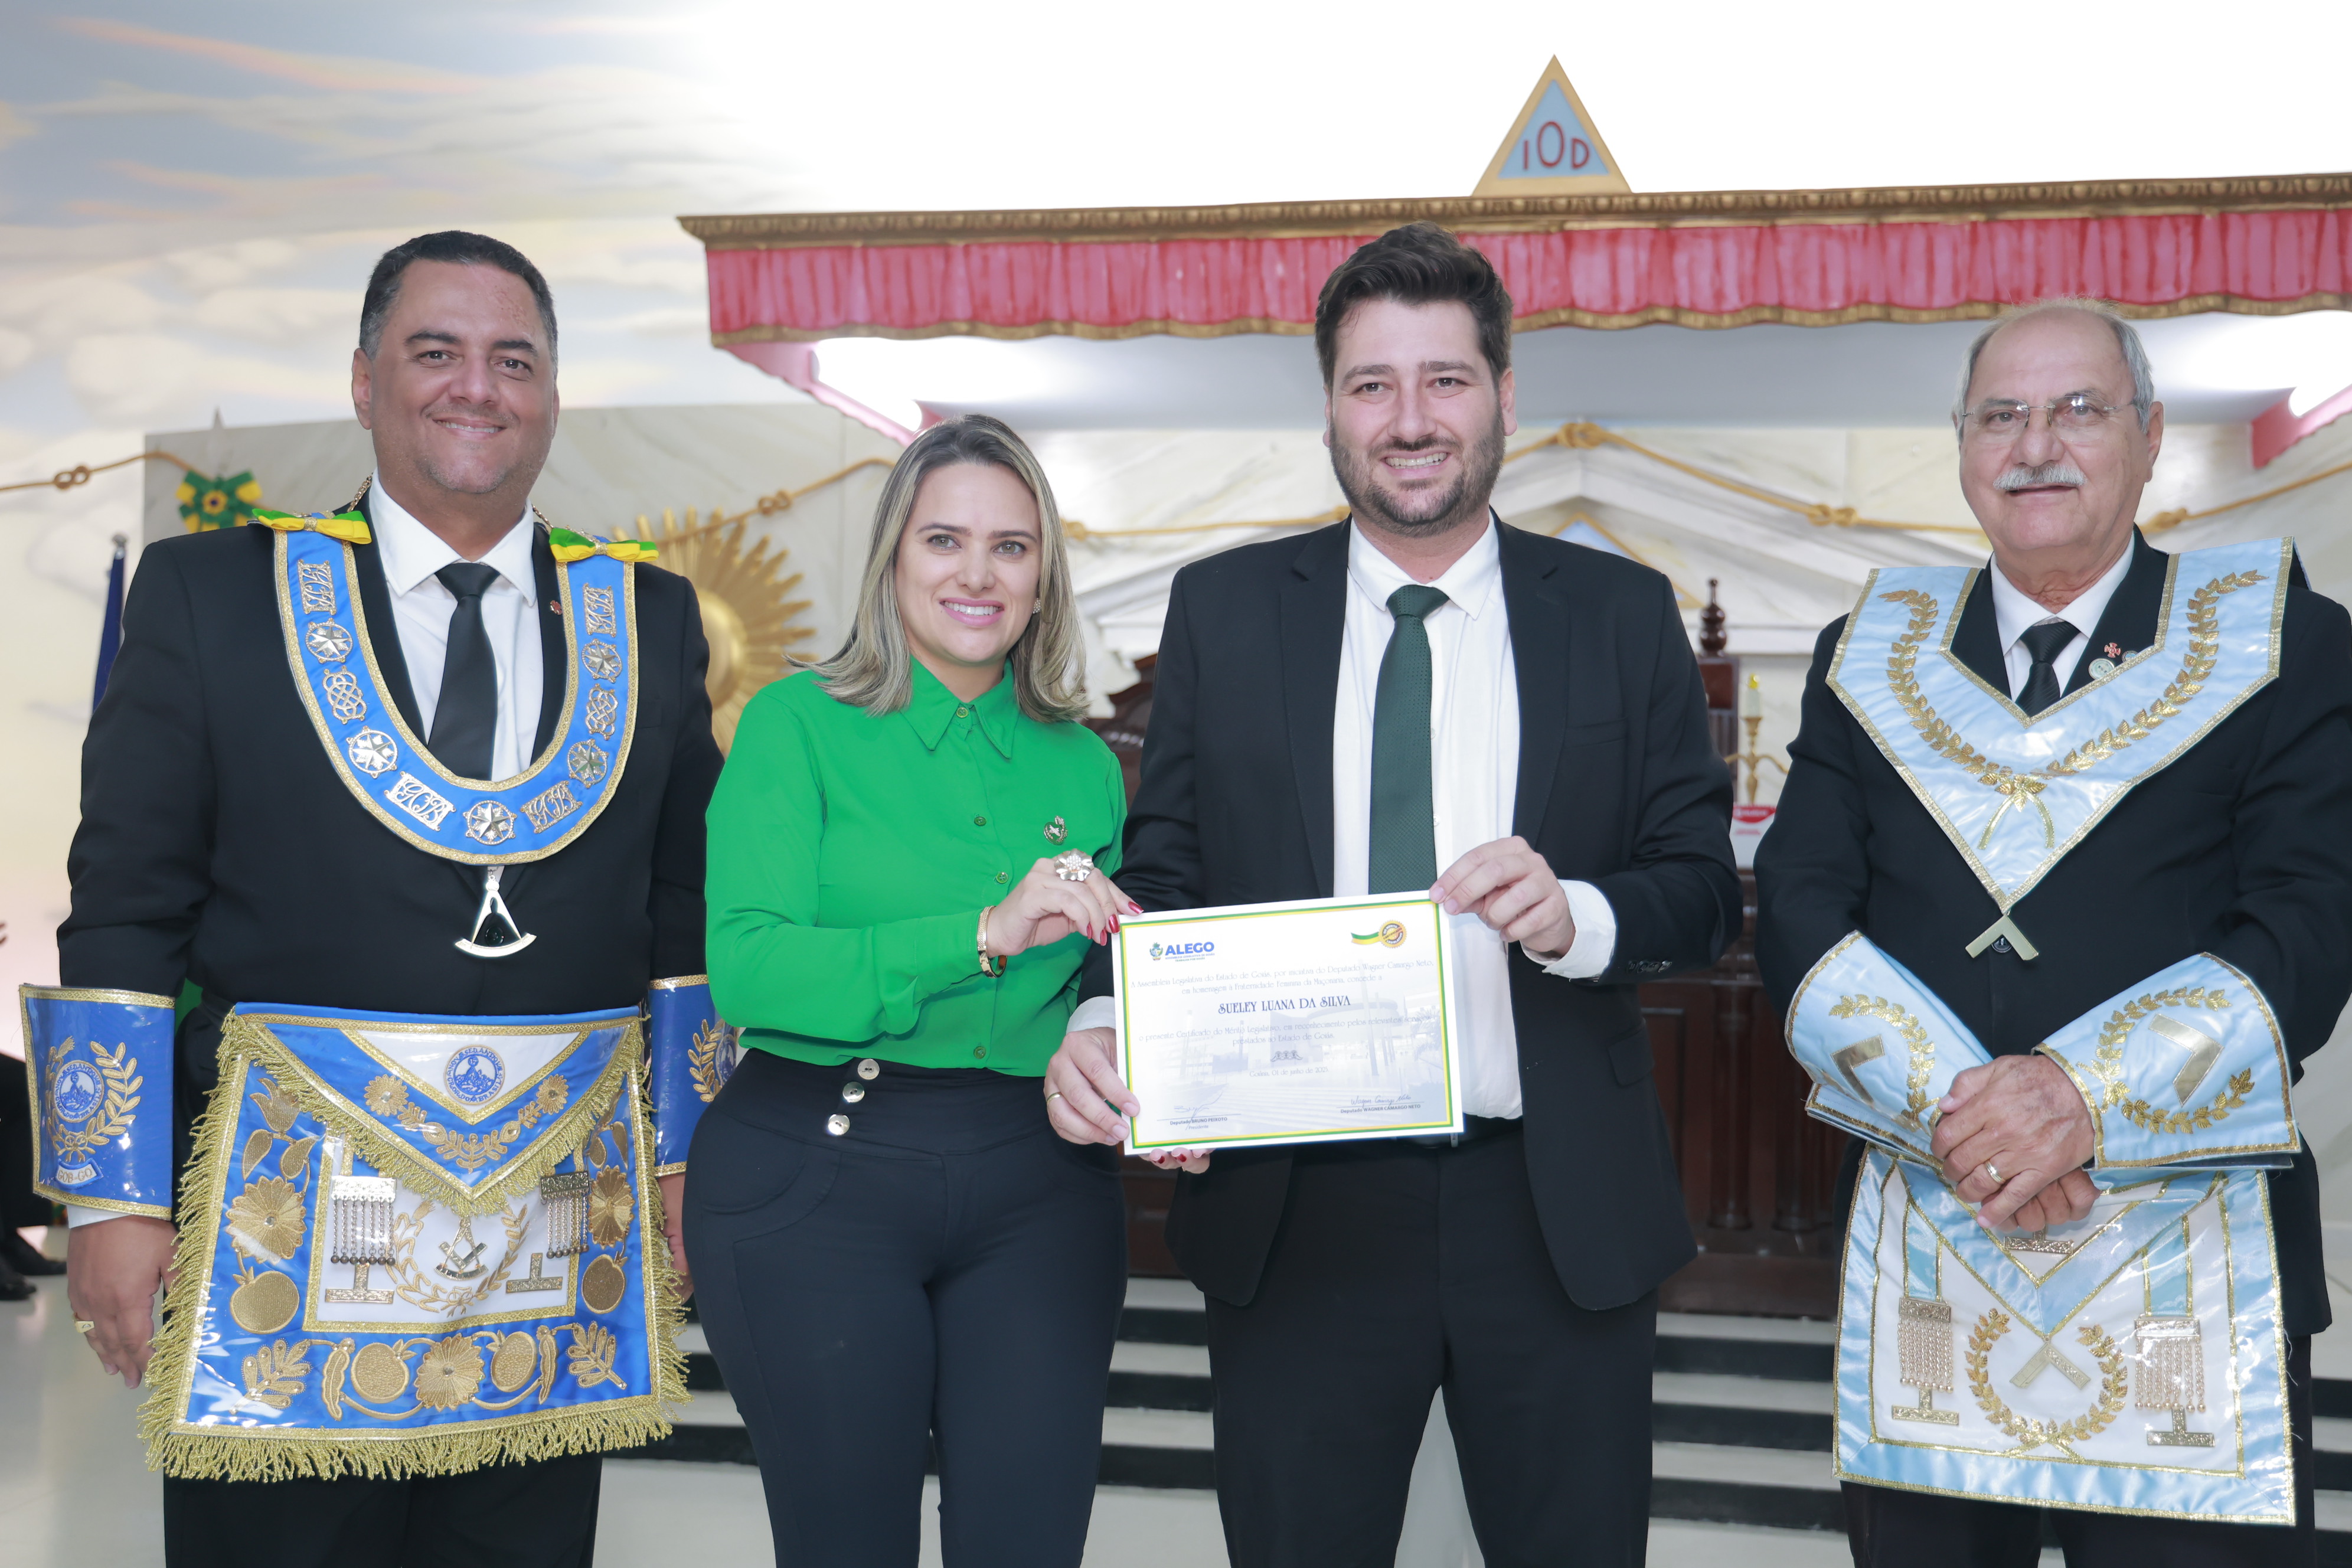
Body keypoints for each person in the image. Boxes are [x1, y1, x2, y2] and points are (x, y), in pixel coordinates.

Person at [28, 230, 726, 1567]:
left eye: (514, 359)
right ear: (363, 381)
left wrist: (689, 1155)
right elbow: (123, 902)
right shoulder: (215, 595)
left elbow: (682, 906)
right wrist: (111, 1199)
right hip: (278, 1237)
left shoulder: (648, 616)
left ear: (553, 395)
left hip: (552, 1238)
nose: (477, 386)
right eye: (436, 351)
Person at [1046, 223, 1740, 1566]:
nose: (1411, 419)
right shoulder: (1227, 611)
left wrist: (1579, 912)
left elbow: (1701, 888)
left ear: (1504, 397)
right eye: (1373, 384)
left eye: (1446, 380)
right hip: (1298, 1202)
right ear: (1329, 407)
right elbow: (1167, 874)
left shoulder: (1618, 612)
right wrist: (1103, 1019)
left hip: (1553, 1201)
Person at [1756, 299, 2352, 1563]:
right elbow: (1800, 907)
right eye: (2001, 416)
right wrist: (1980, 1129)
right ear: (1963, 446)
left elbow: (2311, 919)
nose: (2036, 446)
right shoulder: (1869, 651)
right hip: (1934, 1232)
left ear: (2148, 434)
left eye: (2079, 409)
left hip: (2191, 1260)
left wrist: (2081, 1100)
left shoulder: (2283, 639)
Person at [690, 414, 1135, 1567]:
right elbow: (749, 969)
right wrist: (981, 933)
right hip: (818, 1177)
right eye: (945, 540)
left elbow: (1100, 982)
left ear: (1044, 575)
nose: (978, 574)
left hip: (1041, 1190)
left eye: (1011, 546)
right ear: (892, 557)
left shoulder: (1086, 765)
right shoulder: (794, 725)